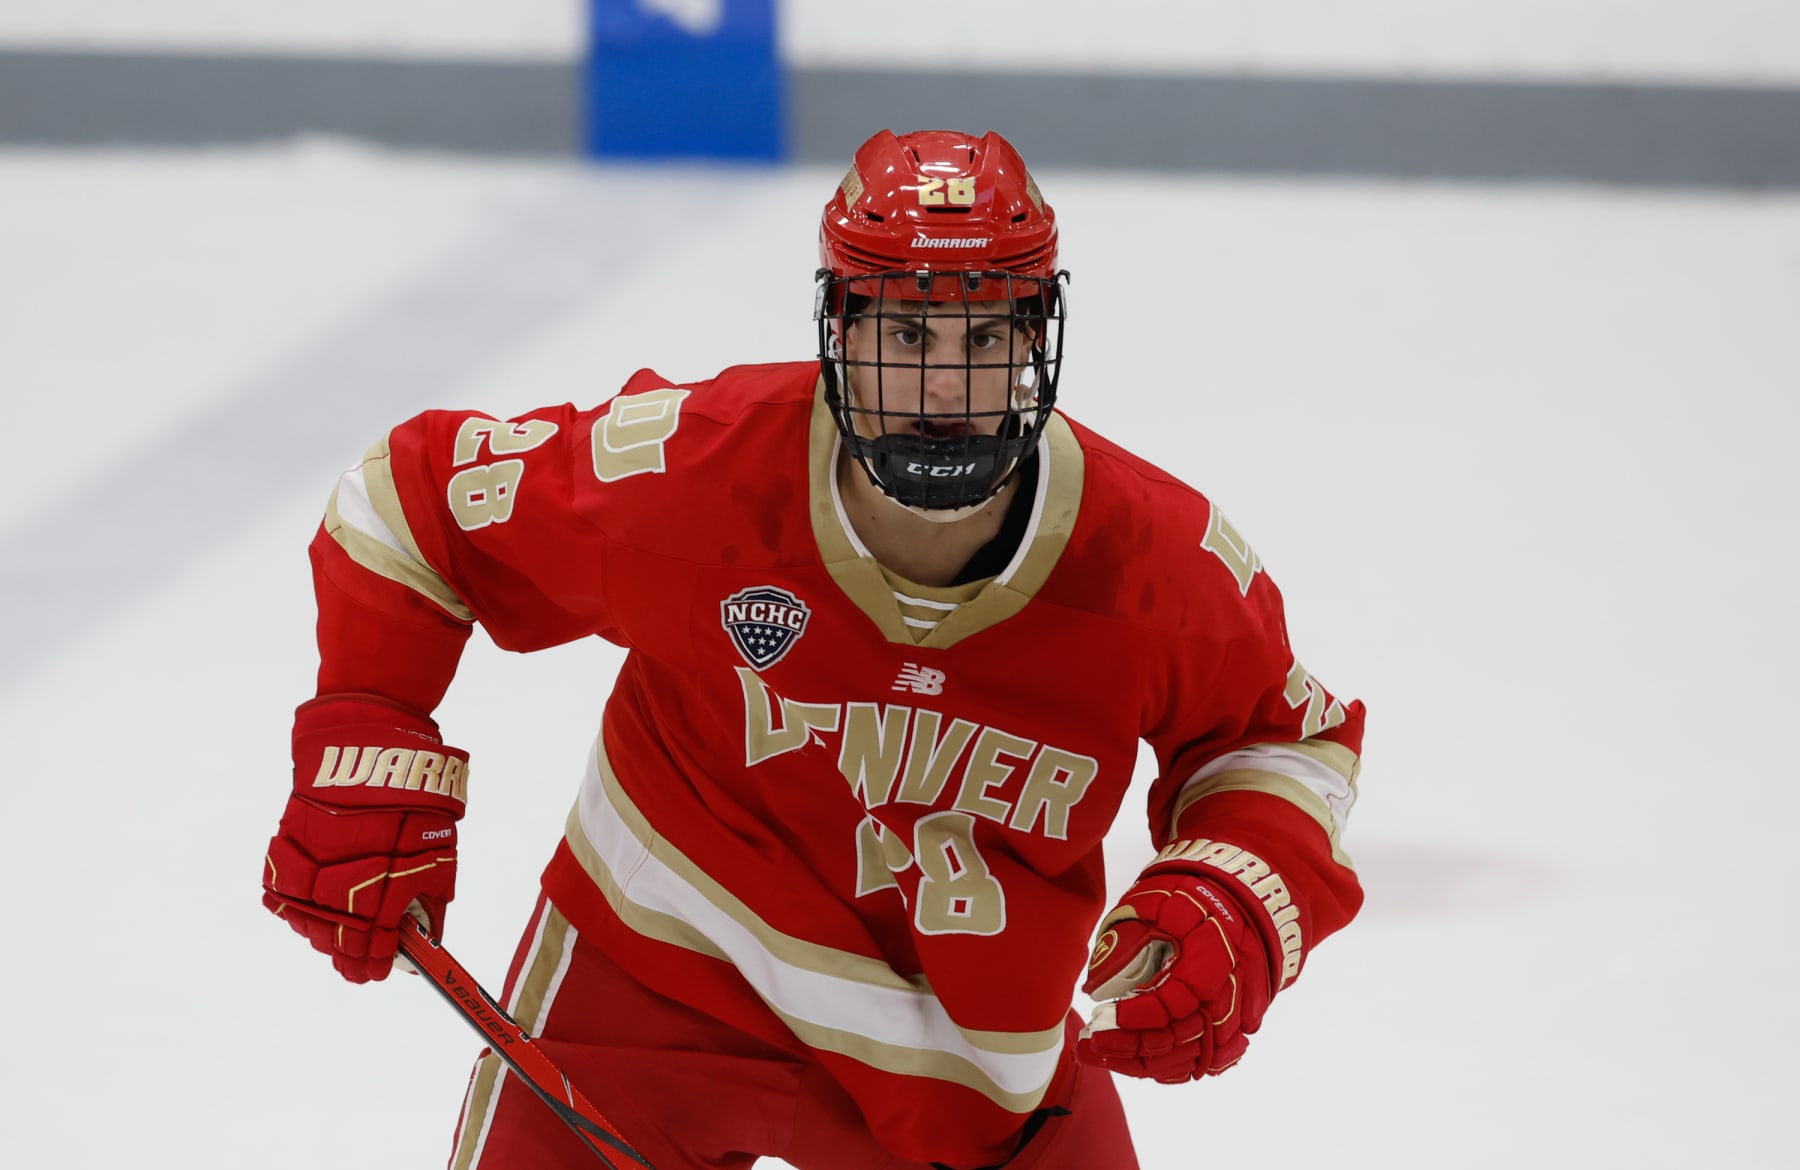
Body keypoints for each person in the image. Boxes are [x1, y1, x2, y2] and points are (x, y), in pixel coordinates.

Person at [261, 128, 1366, 1170]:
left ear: (1039, 340)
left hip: (970, 1068)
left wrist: (1233, 894)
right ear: (840, 332)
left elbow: (1279, 742)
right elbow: (409, 504)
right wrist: (368, 731)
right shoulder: (699, 472)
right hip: (652, 984)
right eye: (906, 334)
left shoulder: (1153, 562)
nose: (944, 389)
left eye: (984, 338)